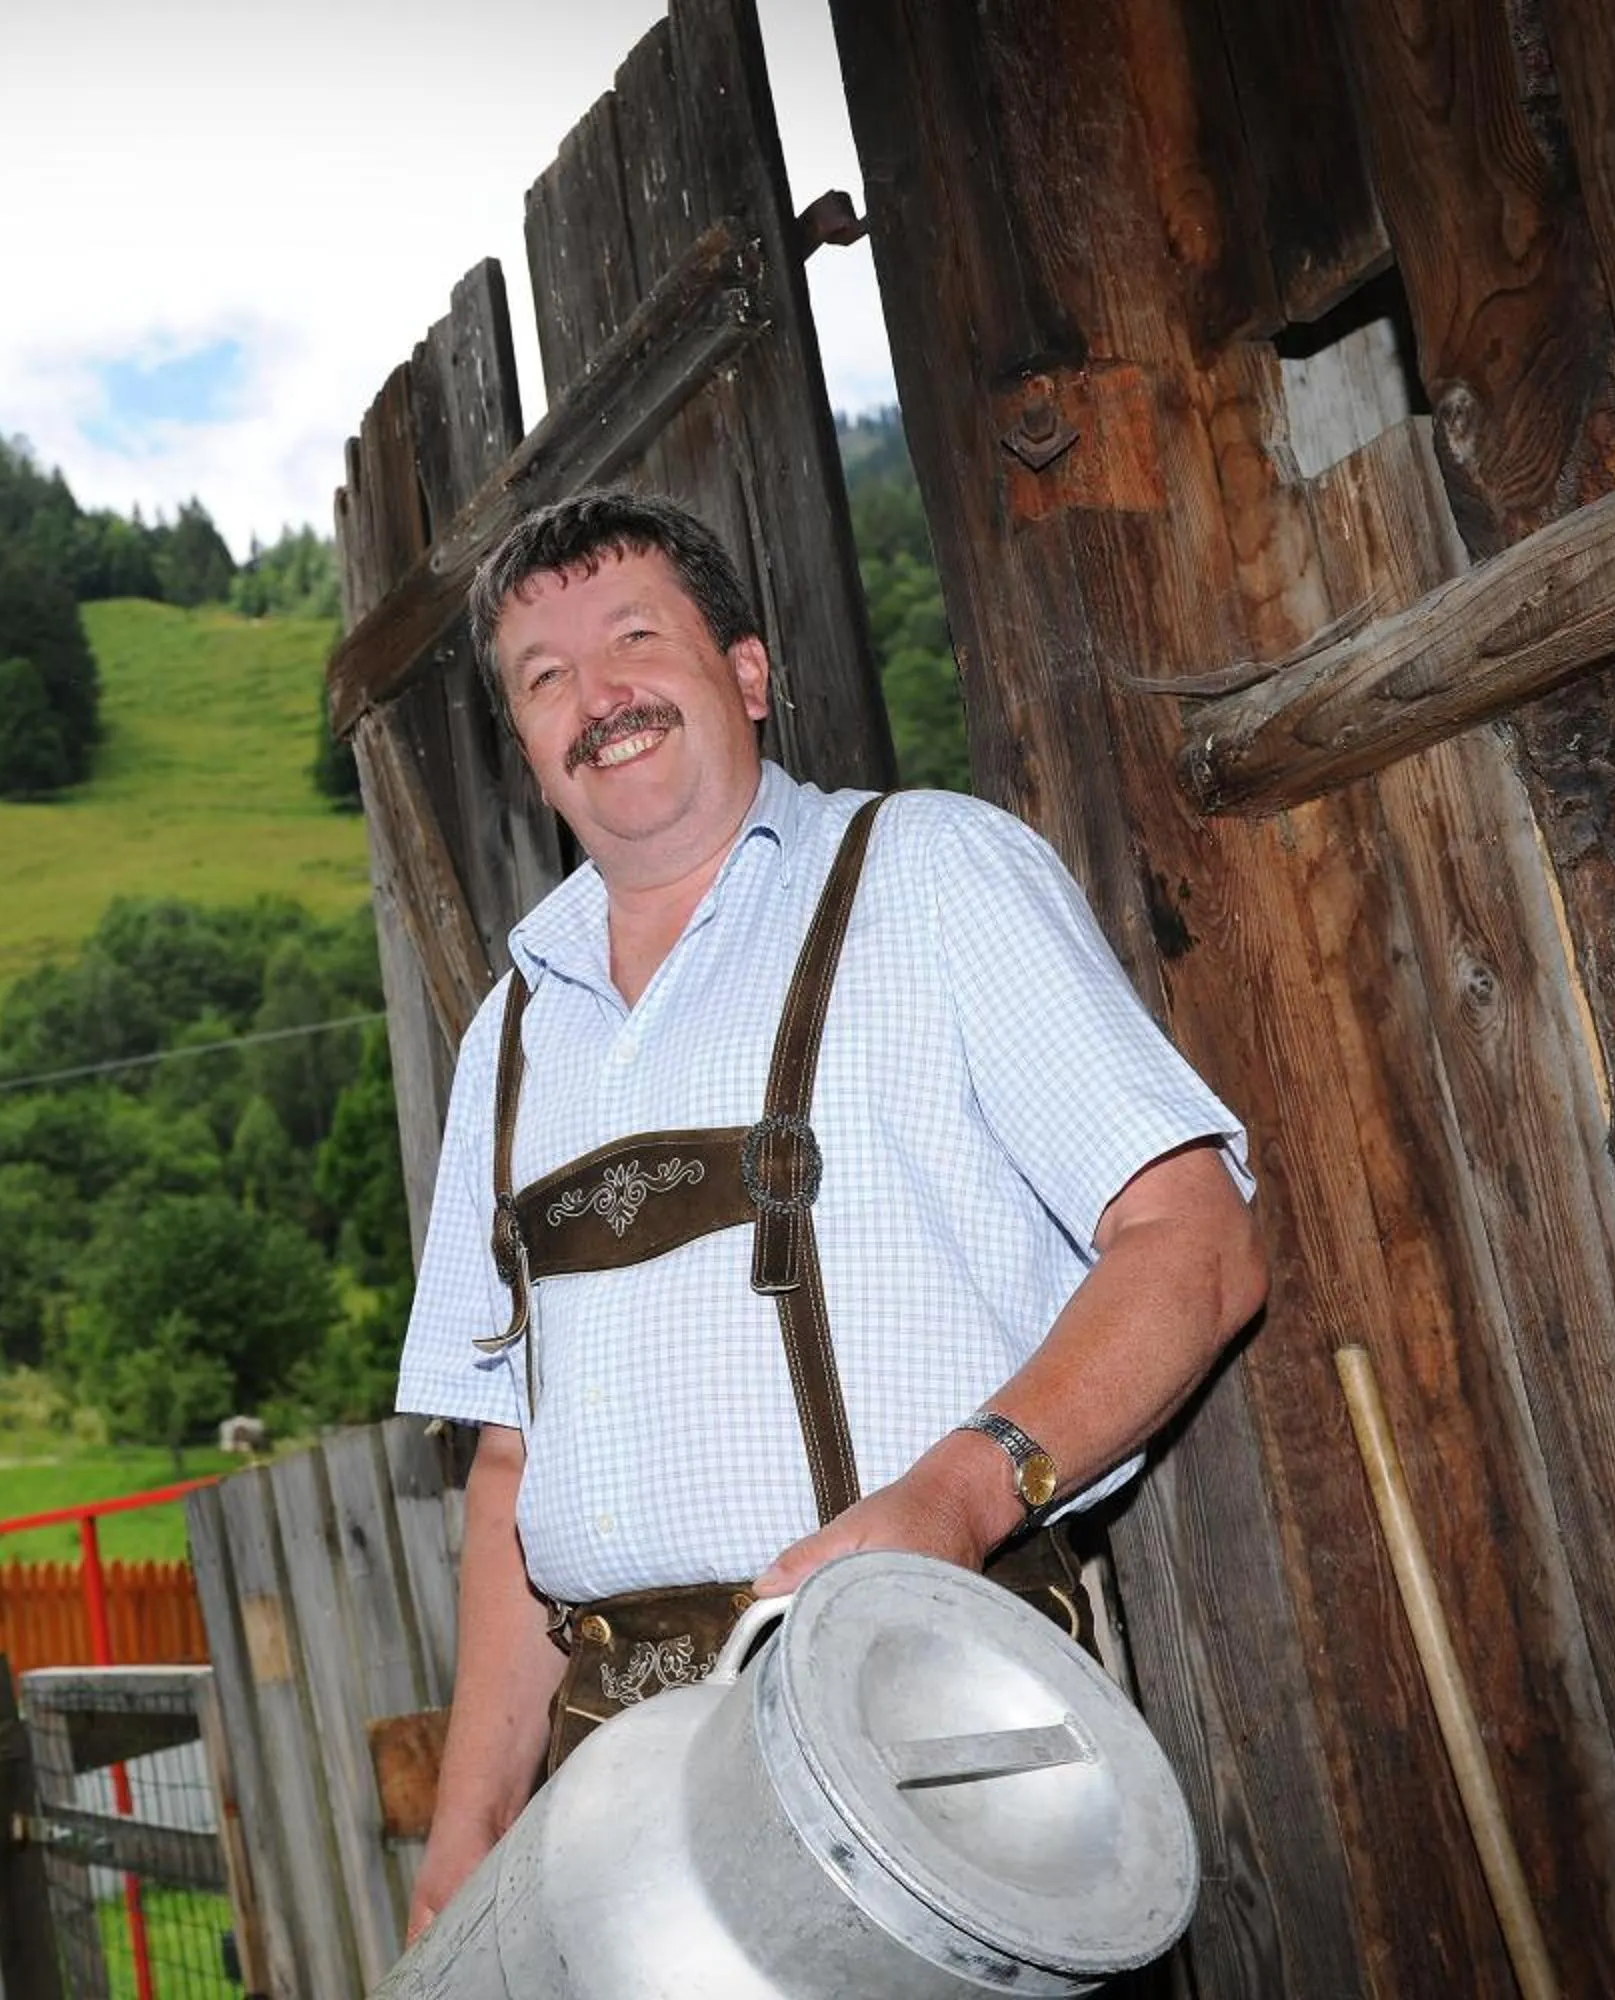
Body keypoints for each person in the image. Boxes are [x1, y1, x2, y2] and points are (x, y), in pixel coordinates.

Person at [396, 489, 1266, 1939]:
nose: (596, 697)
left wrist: (960, 1492)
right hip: (614, 1788)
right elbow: (508, 1467)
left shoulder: (928, 873)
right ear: (531, 756)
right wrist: (468, 1837)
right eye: (545, 681)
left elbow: (1199, 1240)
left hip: (923, 1727)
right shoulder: (507, 1035)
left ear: (745, 672)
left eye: (632, 640)